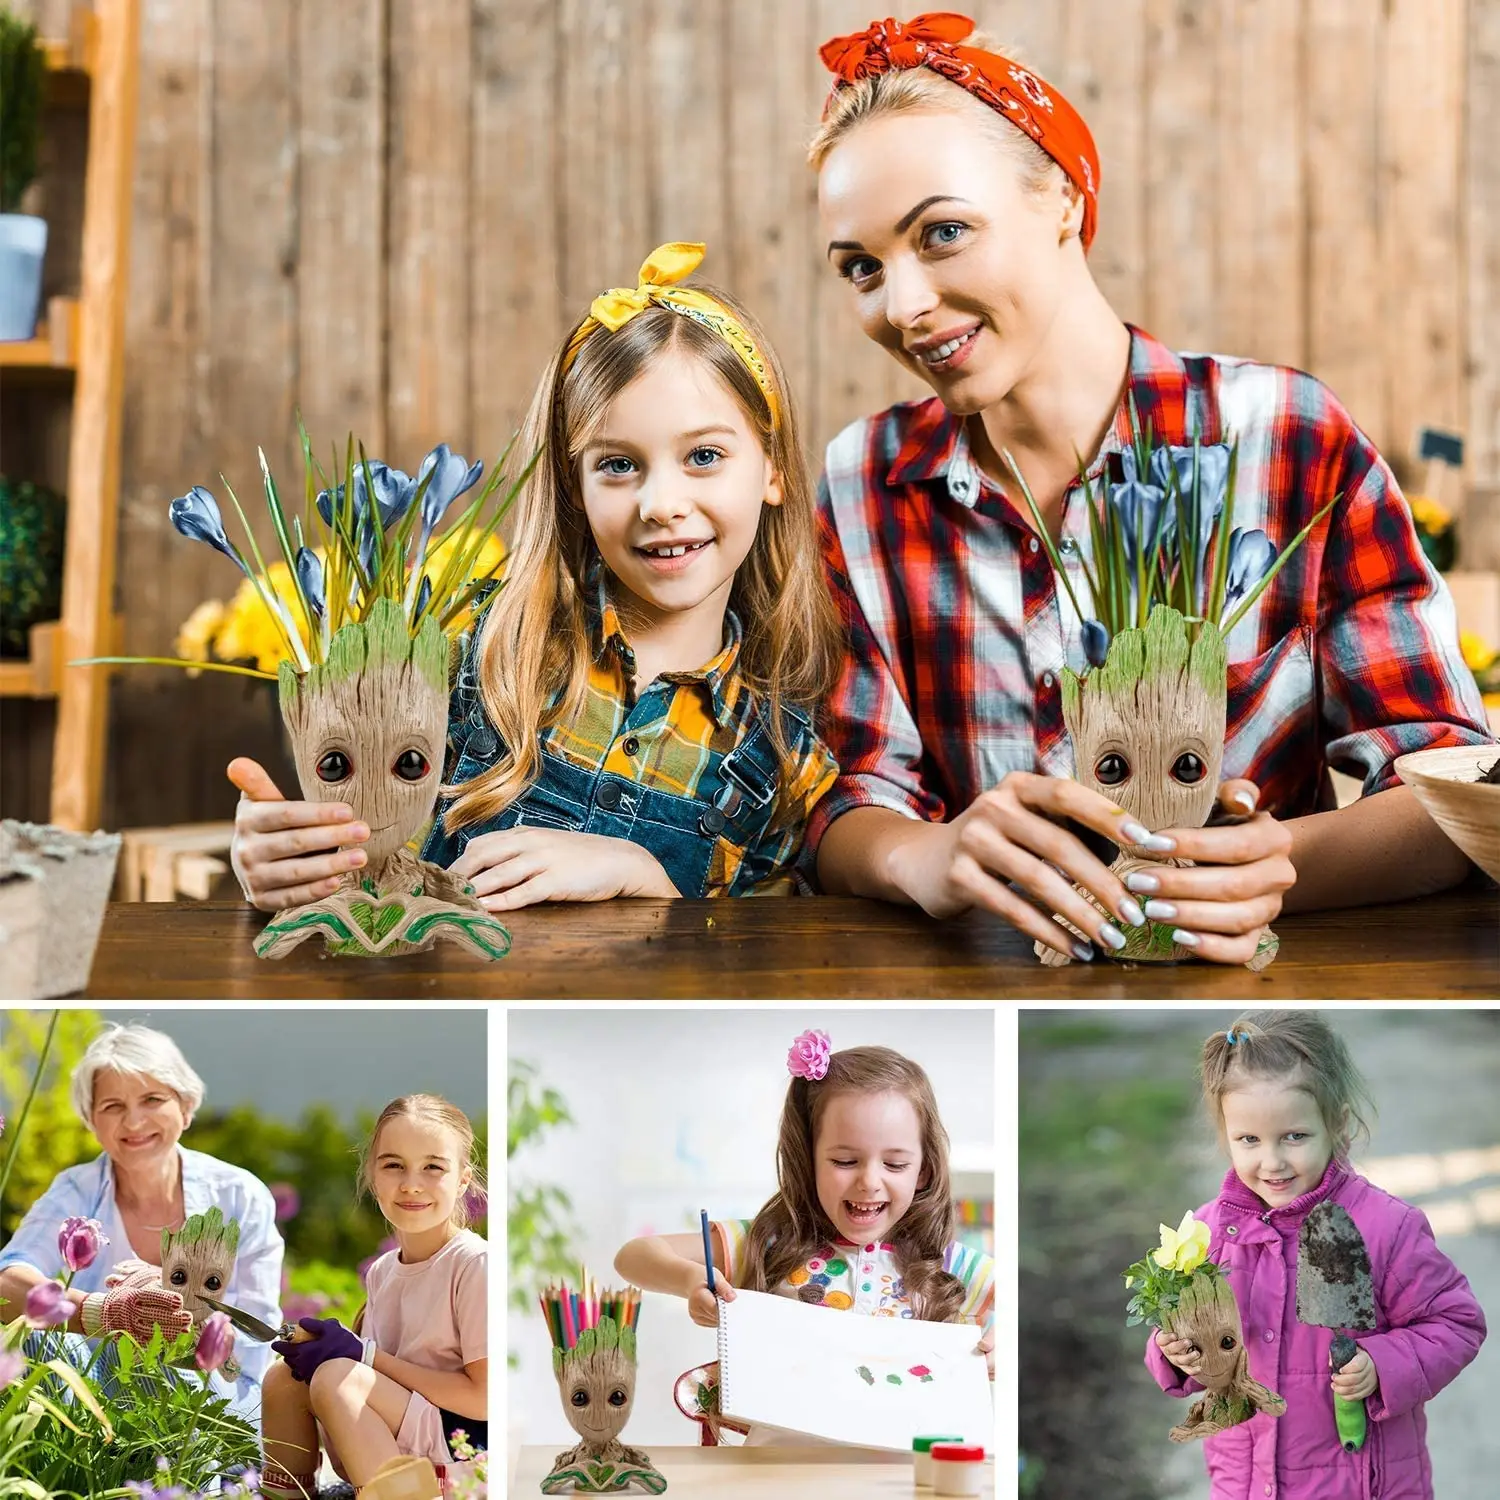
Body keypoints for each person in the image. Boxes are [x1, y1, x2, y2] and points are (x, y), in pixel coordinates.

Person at [805, 13, 1493, 965]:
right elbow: (843, 794)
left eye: (945, 233)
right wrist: (929, 858)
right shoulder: (863, 482)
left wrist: (1273, 865)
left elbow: (1451, 790)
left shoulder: (1283, 435)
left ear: (1060, 197)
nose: (904, 304)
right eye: (863, 269)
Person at [228, 241, 841, 911]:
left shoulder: (780, 752)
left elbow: (750, 971)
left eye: (703, 456)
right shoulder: (478, 652)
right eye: (618, 465)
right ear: (574, 487)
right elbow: (363, 866)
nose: (661, 503)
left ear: (773, 470)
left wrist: (647, 879)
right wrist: (285, 861)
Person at [1146, 1012, 1485, 1498]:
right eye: (1249, 1140)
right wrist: (1173, 1353)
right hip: (1247, 1481)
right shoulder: (1208, 1234)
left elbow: (1456, 1322)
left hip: (1362, 1482)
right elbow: (1181, 1334)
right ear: (1226, 1135)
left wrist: (1382, 1364)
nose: (1272, 1161)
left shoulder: (1383, 1227)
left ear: (1337, 1125)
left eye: (1295, 1136)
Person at [615, 1029, 994, 1444]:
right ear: (807, 1159)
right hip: (776, 1478)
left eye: (896, 1164)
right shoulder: (768, 1244)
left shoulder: (946, 1266)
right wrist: (688, 1280)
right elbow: (634, 1256)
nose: (870, 1181)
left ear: (924, 1169)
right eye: (844, 1160)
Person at [0, 1022, 282, 1424]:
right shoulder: (76, 1190)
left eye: (152, 1099)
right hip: (91, 1399)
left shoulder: (239, 1194)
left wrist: (174, 1322)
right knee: (32, 1348)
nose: (133, 1122)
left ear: (185, 1108)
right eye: (112, 1106)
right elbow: (8, 1282)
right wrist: (106, 1312)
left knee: (167, 1372)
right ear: (91, 1120)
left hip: (208, 1402)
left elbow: (259, 1337)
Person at [259, 1094, 488, 1497]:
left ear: (463, 1179)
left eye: (433, 1167)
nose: (411, 1183)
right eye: (393, 1165)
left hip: (463, 1449)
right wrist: (329, 1348)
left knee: (337, 1376)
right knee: (284, 1377)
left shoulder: (473, 1264)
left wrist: (361, 1355)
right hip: (400, 1440)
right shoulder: (383, 1272)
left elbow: (483, 1401)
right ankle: (289, 1493)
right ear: (372, 1174)